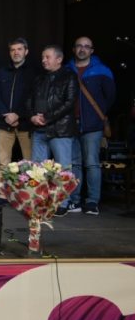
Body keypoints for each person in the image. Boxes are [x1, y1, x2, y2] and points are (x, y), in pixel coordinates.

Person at [26, 45, 79, 216]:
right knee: (38, 169)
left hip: (60, 129)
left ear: (59, 59)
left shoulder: (69, 76)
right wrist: (32, 116)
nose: (43, 60)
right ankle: (40, 201)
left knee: (62, 169)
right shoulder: (39, 78)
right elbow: (29, 100)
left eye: (47, 57)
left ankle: (63, 203)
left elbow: (69, 102)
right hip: (39, 129)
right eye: (43, 57)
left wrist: (47, 117)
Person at [67, 36, 115, 215]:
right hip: (71, 124)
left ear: (92, 51)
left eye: (86, 46)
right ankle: (75, 201)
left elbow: (110, 97)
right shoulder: (66, 69)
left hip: (93, 125)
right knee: (74, 164)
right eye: (79, 46)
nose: (82, 49)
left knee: (92, 164)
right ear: (74, 49)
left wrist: (96, 115)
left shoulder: (102, 70)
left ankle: (92, 202)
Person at [0, 37, 37, 207]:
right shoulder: (1, 72)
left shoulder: (33, 72)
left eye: (19, 49)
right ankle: (3, 195)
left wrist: (18, 115)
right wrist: (6, 114)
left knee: (29, 162)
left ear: (26, 51)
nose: (16, 52)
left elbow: (33, 97)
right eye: (13, 50)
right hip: (4, 123)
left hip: (25, 123)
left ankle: (29, 195)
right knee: (3, 162)